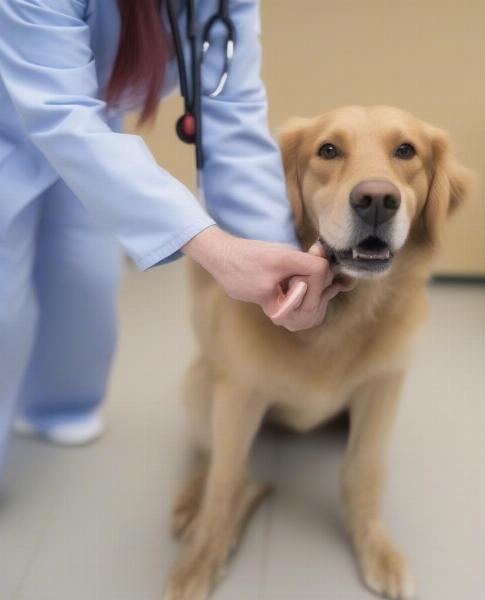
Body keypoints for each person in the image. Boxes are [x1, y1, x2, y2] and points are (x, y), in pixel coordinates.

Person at [0, 0, 344, 470]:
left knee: (85, 277)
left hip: (88, 122)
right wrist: (213, 247)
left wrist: (283, 266)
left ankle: (57, 408)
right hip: (28, 112)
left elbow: (232, 112)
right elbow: (60, 115)